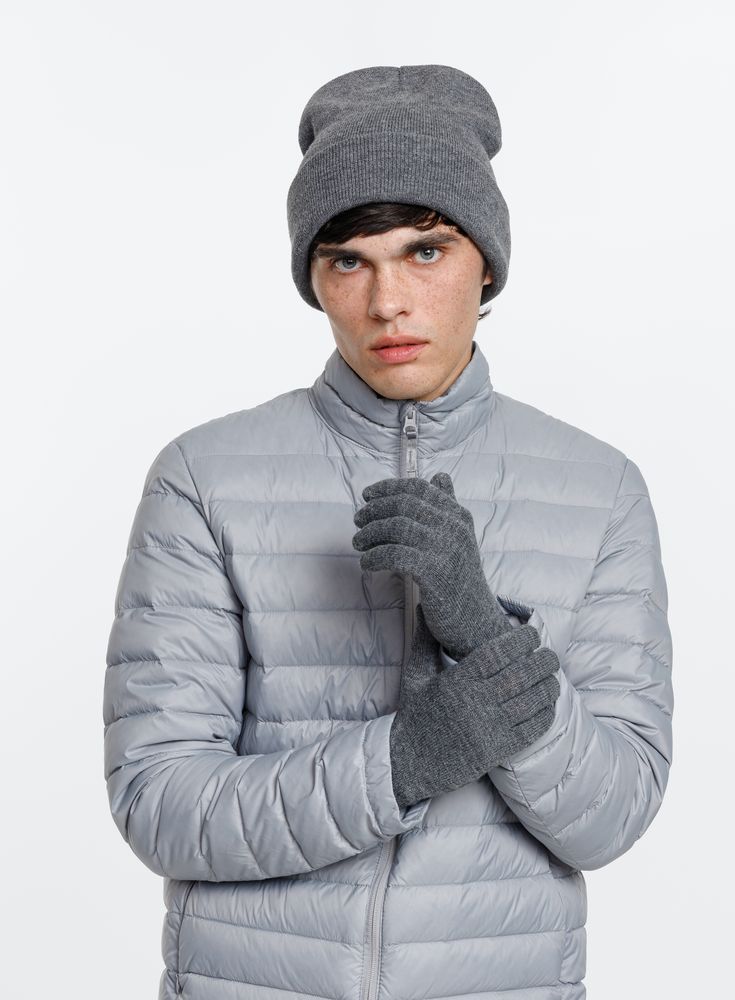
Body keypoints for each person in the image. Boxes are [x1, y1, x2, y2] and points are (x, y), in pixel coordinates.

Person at [103, 64, 673, 1000]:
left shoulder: (601, 489)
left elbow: (610, 818)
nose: (387, 303)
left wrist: (485, 638)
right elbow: (158, 804)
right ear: (314, 278)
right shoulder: (204, 477)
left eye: (426, 251)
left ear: (486, 264)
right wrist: (405, 759)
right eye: (347, 260)